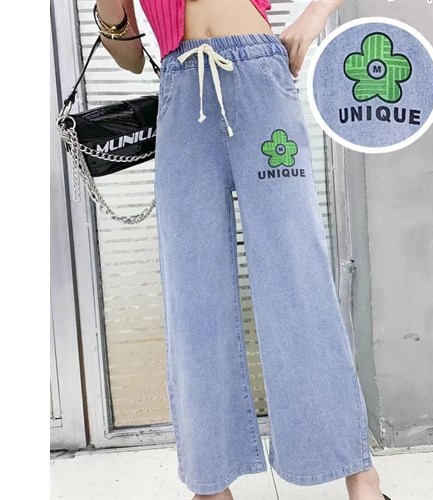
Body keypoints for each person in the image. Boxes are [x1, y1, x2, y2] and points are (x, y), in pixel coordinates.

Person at [94, 1, 391, 499]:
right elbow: (130, 60)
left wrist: (314, 18)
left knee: (297, 278)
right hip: (182, 91)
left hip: (259, 80)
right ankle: (211, 485)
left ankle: (359, 473)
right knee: (193, 292)